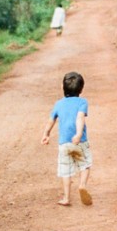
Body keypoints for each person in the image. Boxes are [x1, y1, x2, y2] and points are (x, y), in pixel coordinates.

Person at [41, 72, 92, 206]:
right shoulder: (82, 102)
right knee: (85, 165)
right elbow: (80, 117)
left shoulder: (59, 104)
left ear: (63, 88)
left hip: (64, 144)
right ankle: (82, 185)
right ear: (81, 89)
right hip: (79, 142)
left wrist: (46, 134)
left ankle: (66, 198)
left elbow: (51, 120)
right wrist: (79, 133)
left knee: (65, 170)